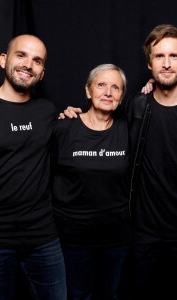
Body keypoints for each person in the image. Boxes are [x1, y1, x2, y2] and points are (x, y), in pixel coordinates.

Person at [62, 24, 177, 300]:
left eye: (174, 56)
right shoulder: (136, 106)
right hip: (141, 234)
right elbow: (101, 119)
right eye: (159, 56)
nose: (166, 63)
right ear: (149, 64)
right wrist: (68, 116)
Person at [0, 35, 67, 299]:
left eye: (37, 61)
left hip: (43, 238)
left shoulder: (46, 110)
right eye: (21, 55)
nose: (28, 65)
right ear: (3, 60)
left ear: (42, 72)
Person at [51, 64, 131, 300]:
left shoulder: (129, 129)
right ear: (88, 91)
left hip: (116, 239)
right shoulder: (64, 127)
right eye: (101, 85)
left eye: (115, 87)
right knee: (78, 295)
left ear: (121, 96)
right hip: (72, 239)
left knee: (111, 294)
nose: (108, 92)